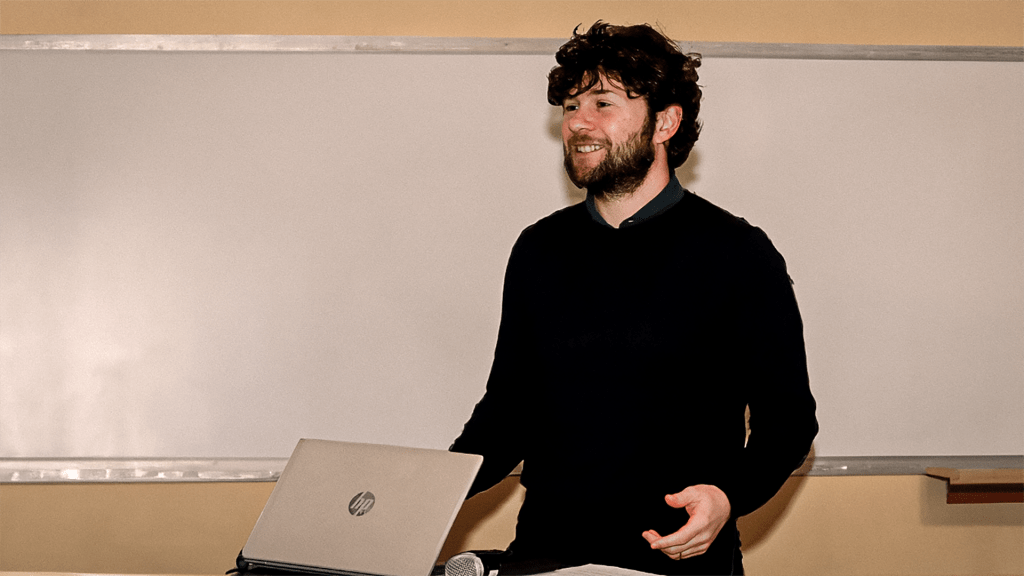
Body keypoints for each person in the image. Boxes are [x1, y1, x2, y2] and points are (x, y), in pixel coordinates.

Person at [450, 21, 818, 576]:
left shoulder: (737, 253)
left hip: (678, 562)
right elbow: (506, 414)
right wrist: (419, 495)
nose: (578, 121)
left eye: (603, 102)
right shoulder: (539, 249)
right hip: (546, 556)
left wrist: (727, 497)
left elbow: (788, 423)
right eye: (571, 105)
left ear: (664, 122)